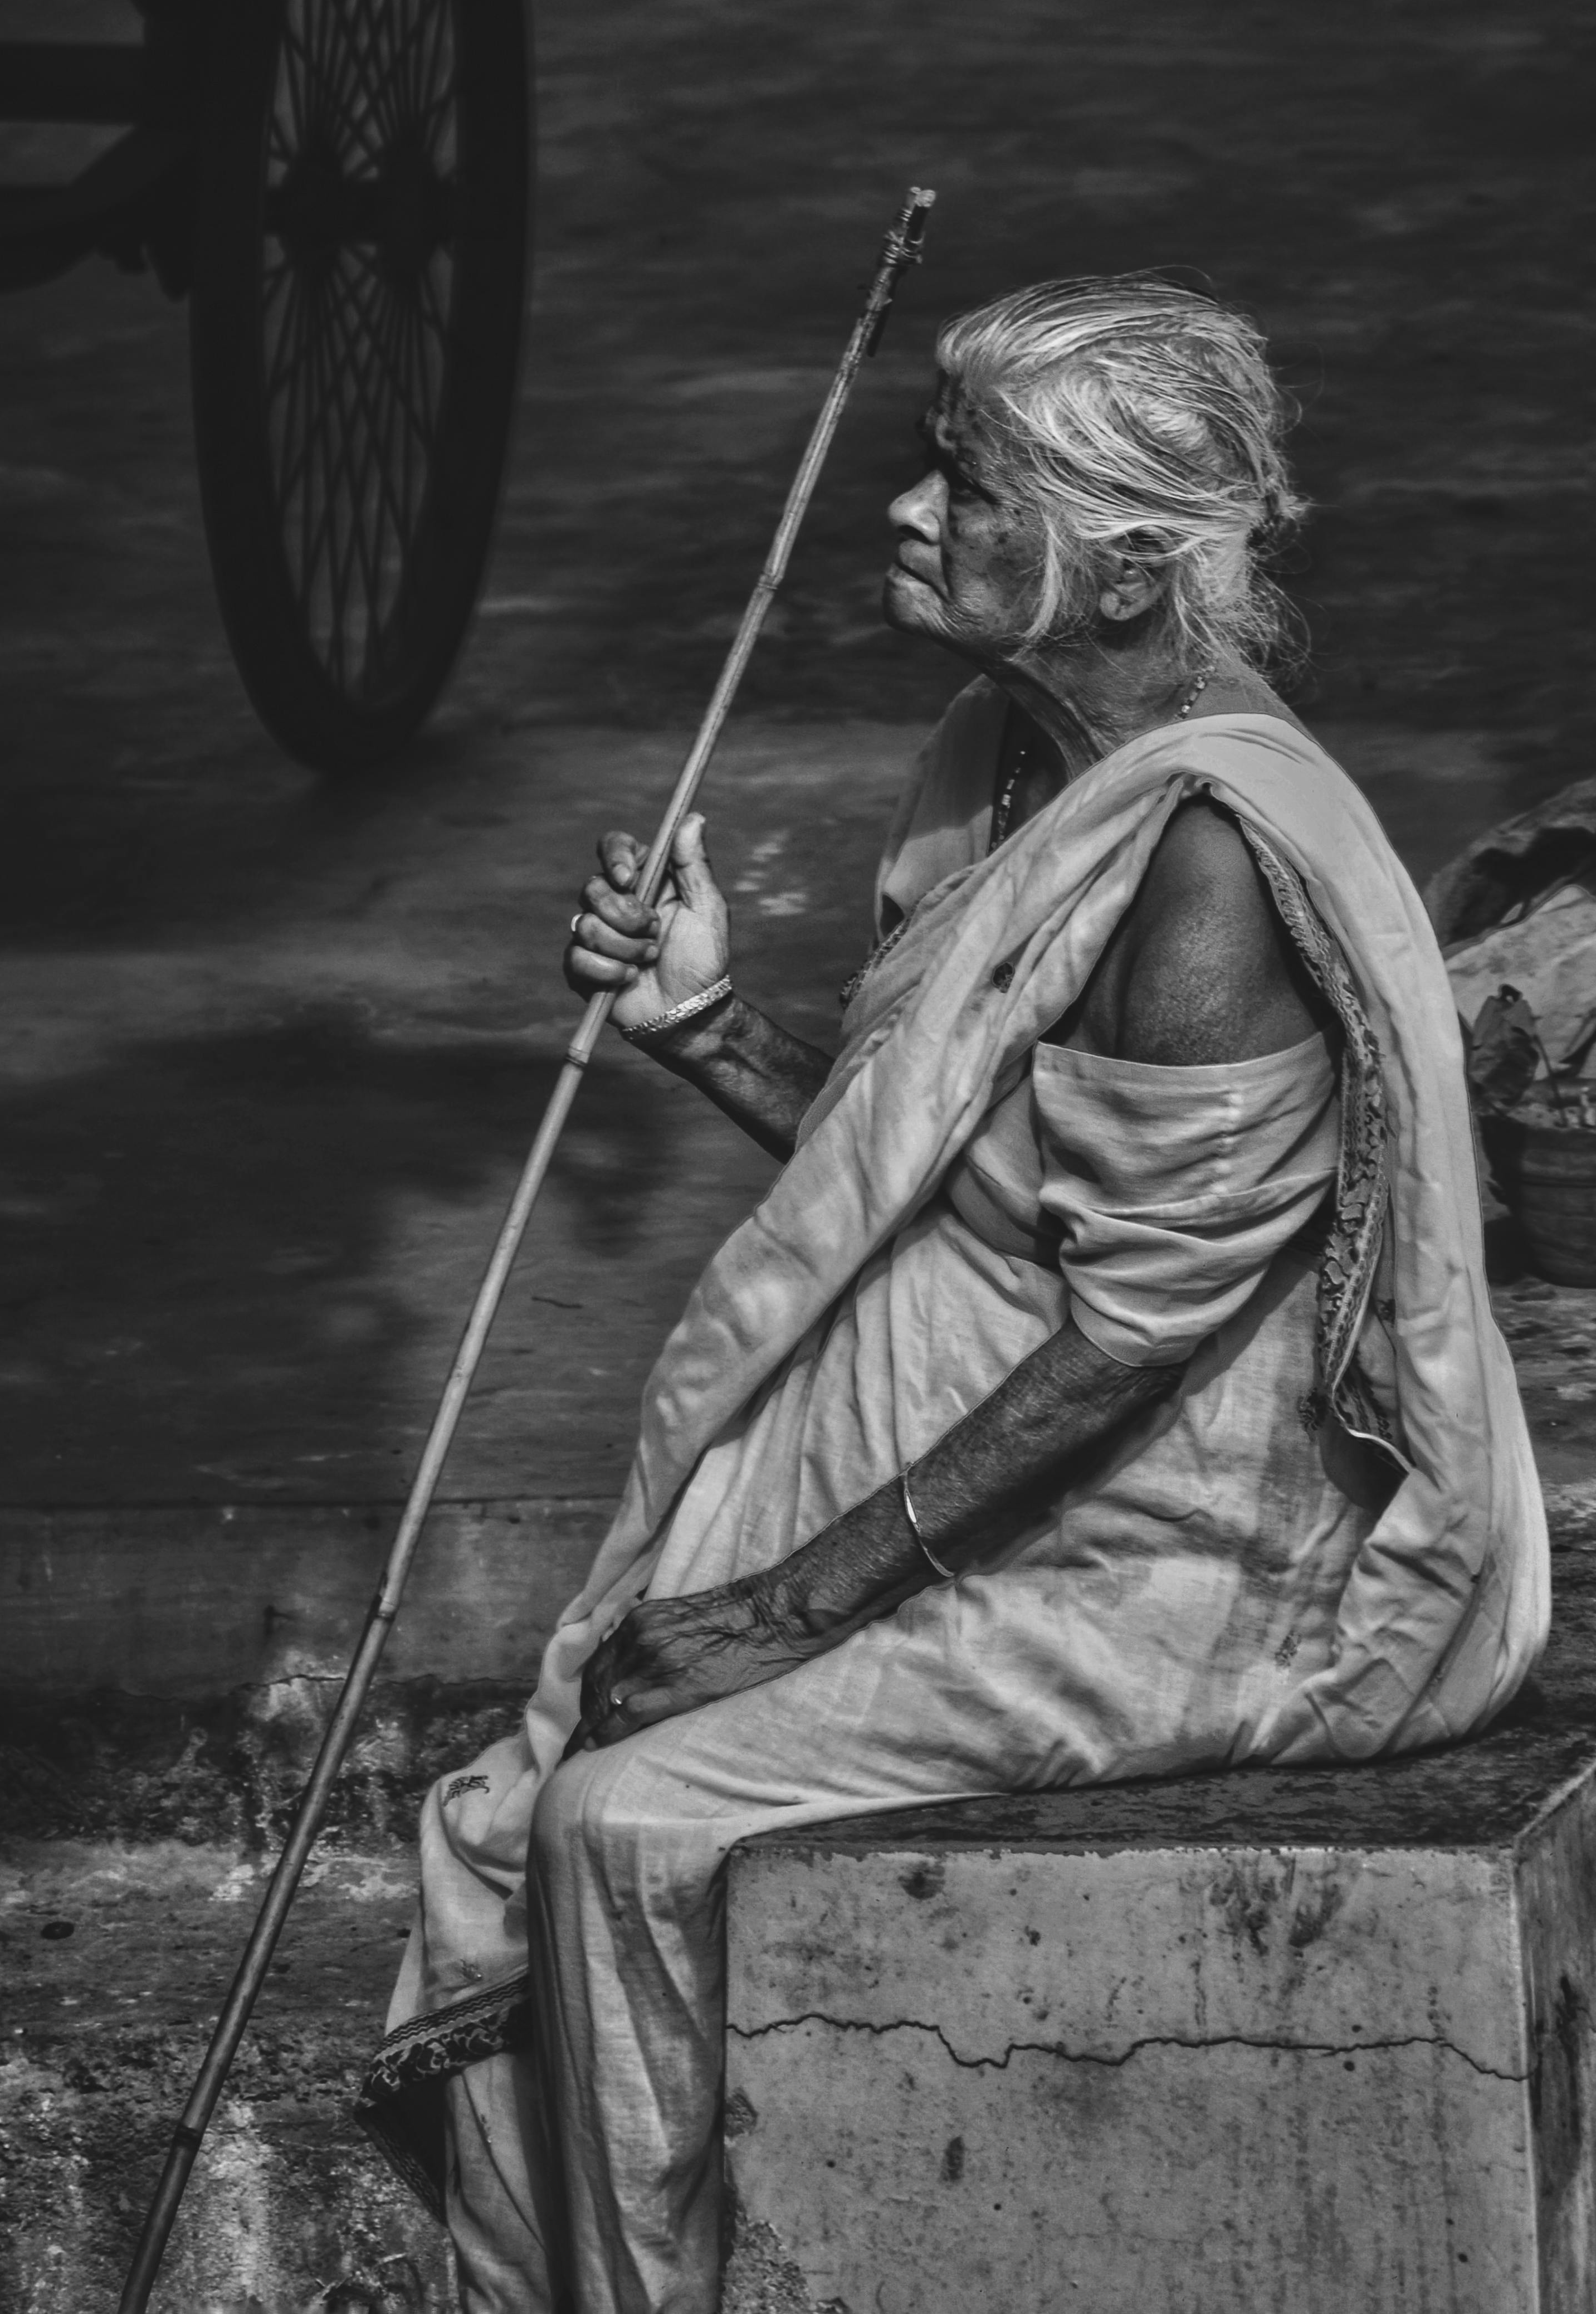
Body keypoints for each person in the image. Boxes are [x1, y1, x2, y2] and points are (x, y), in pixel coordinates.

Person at [358, 275, 1548, 2314]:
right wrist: (707, 1025)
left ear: (1118, 576)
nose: (907, 514)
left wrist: (788, 1601)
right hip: (1041, 1493)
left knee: (626, 1820)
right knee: (562, 1771)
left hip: (1221, 1555)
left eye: (968, 488)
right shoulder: (1001, 755)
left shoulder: (1203, 866)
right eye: (929, 463)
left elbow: (1133, 1328)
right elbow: (941, 1183)